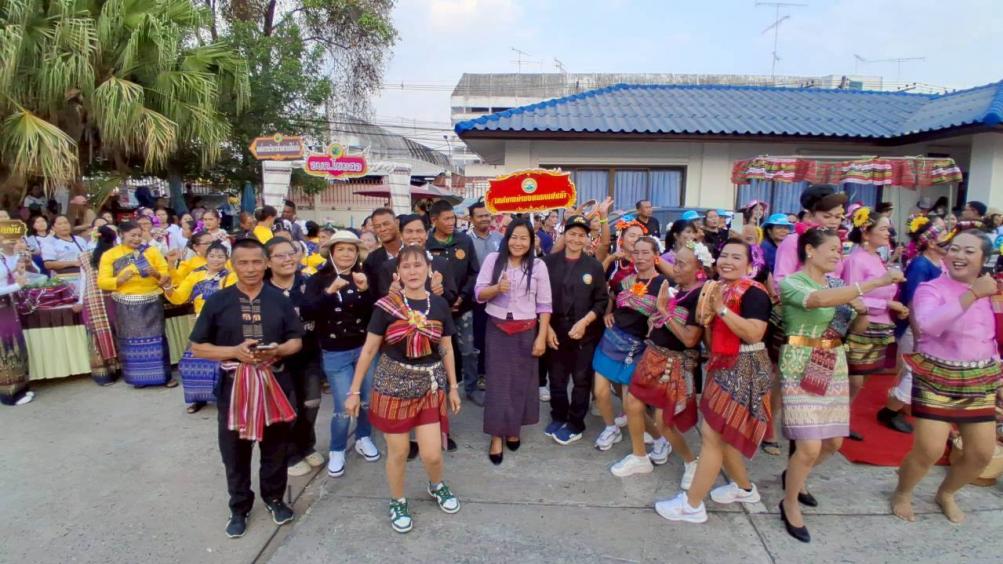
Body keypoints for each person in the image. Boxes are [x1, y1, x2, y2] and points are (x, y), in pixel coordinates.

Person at [778, 228, 900, 542]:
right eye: (832, 248)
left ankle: (795, 475)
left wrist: (862, 309)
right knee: (809, 446)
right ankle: (789, 502)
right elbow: (817, 300)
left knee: (833, 443)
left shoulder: (838, 286)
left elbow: (856, 327)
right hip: (799, 362)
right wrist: (873, 284)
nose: (837, 254)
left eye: (840, 249)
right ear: (809, 250)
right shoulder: (792, 282)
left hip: (831, 362)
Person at [189, 238, 302, 538]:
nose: (250, 268)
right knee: (234, 451)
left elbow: (296, 340)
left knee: (276, 447)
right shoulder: (218, 301)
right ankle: (239, 507)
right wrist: (233, 352)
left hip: (275, 382)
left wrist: (278, 350)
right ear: (233, 265)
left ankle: (274, 498)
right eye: (243, 262)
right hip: (233, 386)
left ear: (266, 264)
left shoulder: (279, 300)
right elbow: (197, 346)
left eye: (256, 262)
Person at [345, 245, 462, 534]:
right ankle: (397, 500)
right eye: (406, 266)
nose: (412, 271)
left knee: (432, 454)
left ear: (429, 270)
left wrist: (453, 387)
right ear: (397, 273)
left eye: (418, 265)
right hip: (393, 386)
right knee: (398, 452)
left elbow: (446, 347)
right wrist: (354, 391)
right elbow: (369, 349)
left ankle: (436, 485)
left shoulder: (439, 305)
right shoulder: (386, 306)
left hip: (429, 385)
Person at [655, 239, 773, 524]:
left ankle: (692, 505)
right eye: (724, 256)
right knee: (723, 436)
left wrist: (721, 309)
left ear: (750, 264)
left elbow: (754, 333)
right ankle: (745, 489)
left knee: (713, 437)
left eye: (736, 257)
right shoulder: (717, 288)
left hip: (745, 367)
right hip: (722, 366)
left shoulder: (754, 293)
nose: (728, 261)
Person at [892, 231, 1002, 524]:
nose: (959, 256)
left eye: (969, 251)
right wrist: (973, 294)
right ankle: (903, 491)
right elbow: (928, 325)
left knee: (981, 453)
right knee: (929, 449)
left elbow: (991, 335)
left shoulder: (993, 291)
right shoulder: (931, 288)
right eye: (954, 249)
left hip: (979, 379)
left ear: (984, 258)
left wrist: (998, 374)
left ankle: (947, 493)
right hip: (936, 376)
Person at [618, 242, 712, 487]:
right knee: (632, 404)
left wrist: (662, 311)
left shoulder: (700, 297)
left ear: (699, 269)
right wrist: (656, 316)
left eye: (681, 264)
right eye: (675, 261)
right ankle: (640, 456)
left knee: (665, 423)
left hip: (674, 364)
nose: (675, 267)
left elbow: (690, 339)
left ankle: (691, 462)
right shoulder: (678, 289)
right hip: (653, 355)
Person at [303, 231, 381, 478]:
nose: (346, 254)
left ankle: (363, 436)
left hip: (365, 349)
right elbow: (307, 311)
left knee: (367, 398)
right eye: (341, 249)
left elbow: (376, 312)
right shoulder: (318, 279)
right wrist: (329, 292)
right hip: (335, 352)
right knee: (343, 404)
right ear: (332, 253)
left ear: (357, 253)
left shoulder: (364, 276)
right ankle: (337, 448)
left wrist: (366, 290)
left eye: (351, 249)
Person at [475, 220, 552, 464]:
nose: (518, 243)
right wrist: (497, 288)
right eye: (514, 237)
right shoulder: (493, 260)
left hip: (526, 331)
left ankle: (513, 428)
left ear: (531, 241)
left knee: (521, 384)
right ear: (507, 239)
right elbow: (479, 294)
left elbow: (545, 305)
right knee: (498, 384)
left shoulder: (538, 266)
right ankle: (496, 436)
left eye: (524, 238)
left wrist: (541, 336)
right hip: (497, 329)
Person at [592, 236, 669, 453]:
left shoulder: (664, 284)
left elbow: (668, 315)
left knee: (631, 404)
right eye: (636, 252)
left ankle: (660, 439)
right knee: (600, 392)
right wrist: (608, 313)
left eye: (646, 252)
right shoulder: (624, 280)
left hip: (638, 348)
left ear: (656, 256)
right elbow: (611, 297)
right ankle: (611, 428)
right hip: (611, 339)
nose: (640, 257)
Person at [259, 237, 327, 478]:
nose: (288, 259)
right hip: (278, 361)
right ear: (268, 262)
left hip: (310, 355)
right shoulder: (262, 291)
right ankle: (289, 454)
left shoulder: (309, 283)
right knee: (288, 408)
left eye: (292, 253)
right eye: (280, 255)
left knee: (311, 403)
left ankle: (306, 445)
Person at [841, 206, 909, 441]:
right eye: (883, 229)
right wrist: (888, 304)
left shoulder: (877, 257)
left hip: (880, 325)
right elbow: (851, 295)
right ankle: (837, 418)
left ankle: (844, 417)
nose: (888, 233)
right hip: (862, 324)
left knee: (866, 376)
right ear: (866, 232)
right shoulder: (856, 260)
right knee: (854, 378)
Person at [542, 215, 609, 445]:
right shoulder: (548, 263)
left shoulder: (594, 266)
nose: (576, 239)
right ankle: (558, 415)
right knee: (556, 378)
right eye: (572, 234)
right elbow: (539, 299)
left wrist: (584, 323)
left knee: (581, 379)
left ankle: (575, 423)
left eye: (581, 235)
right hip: (555, 330)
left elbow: (601, 301)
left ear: (587, 239)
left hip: (585, 333)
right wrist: (547, 329)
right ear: (564, 235)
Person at [878, 216, 948, 433]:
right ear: (932, 243)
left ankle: (903, 404)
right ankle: (891, 410)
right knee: (912, 368)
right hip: (915, 325)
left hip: (931, 324)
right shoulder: (920, 265)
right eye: (945, 237)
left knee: (914, 369)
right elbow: (912, 301)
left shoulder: (939, 263)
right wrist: (919, 333)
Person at [97, 221, 176, 388]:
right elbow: (102, 282)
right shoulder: (110, 255)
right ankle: (139, 379)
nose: (137, 239)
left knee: (157, 340)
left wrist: (156, 274)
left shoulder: (151, 251)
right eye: (132, 235)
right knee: (130, 341)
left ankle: (165, 377)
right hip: (126, 304)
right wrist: (119, 279)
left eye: (139, 235)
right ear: (121, 235)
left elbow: (166, 275)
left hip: (151, 301)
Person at [426, 199, 479, 428]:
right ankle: (443, 389)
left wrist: (462, 296)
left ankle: (472, 387)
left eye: (453, 218)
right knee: (439, 352)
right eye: (446, 219)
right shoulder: (426, 244)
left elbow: (474, 273)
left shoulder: (464, 240)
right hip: (436, 310)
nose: (451, 222)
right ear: (434, 220)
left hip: (462, 307)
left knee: (468, 350)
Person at [166, 242, 236, 413]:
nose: (216, 260)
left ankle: (227, 399)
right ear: (206, 257)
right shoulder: (195, 275)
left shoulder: (231, 276)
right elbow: (179, 297)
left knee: (223, 363)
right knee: (193, 361)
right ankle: (197, 398)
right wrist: (168, 288)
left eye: (220, 256)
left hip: (222, 323)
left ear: (226, 259)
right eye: (212, 256)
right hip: (200, 323)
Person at [78, 226, 121, 386]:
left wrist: (80, 301)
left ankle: (104, 375)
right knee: (119, 330)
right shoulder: (117, 253)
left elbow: (83, 280)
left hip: (93, 298)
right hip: (115, 295)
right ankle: (124, 368)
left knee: (99, 334)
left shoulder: (84, 255)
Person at [468, 202, 503, 395]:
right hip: (477, 299)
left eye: (487, 215)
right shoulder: (465, 240)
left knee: (498, 337)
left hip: (499, 297)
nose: (484, 219)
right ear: (471, 219)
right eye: (480, 216)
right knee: (479, 337)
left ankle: (497, 371)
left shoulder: (500, 239)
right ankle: (481, 373)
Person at [0, 239, 32, 406]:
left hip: (7, 306)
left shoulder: (1, 256)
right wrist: (17, 286)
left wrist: (16, 271)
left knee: (15, 346)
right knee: (5, 350)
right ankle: (10, 395)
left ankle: (20, 388)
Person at [363, 208, 404, 295]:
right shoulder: (371, 260)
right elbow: (371, 293)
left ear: (397, 223)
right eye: (377, 226)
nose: (382, 229)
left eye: (386, 224)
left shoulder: (413, 252)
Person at [41, 215, 86, 280]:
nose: (64, 226)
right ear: (53, 228)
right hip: (63, 278)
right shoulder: (49, 242)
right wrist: (73, 263)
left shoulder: (80, 239)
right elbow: (48, 264)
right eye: (60, 224)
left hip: (84, 276)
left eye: (66, 223)